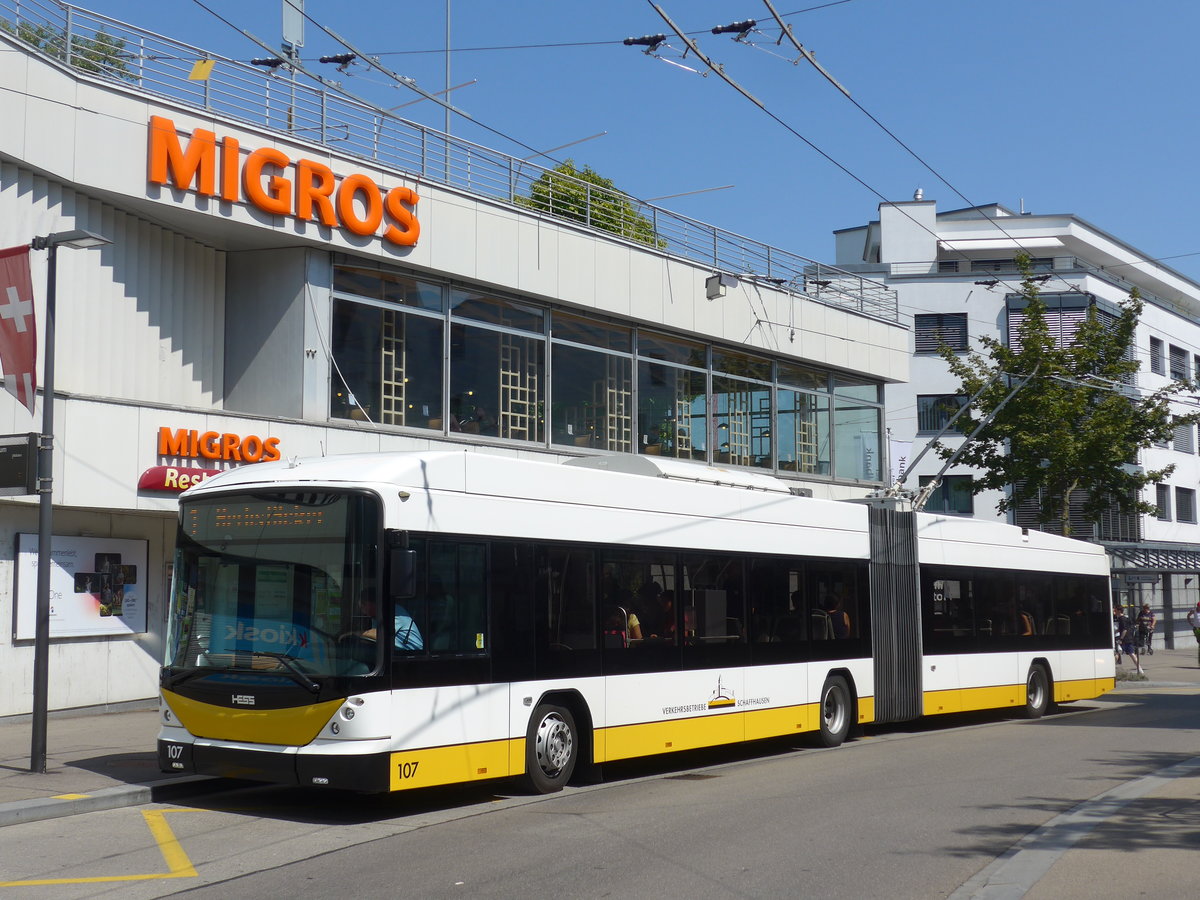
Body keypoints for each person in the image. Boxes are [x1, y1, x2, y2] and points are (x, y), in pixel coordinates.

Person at [1113, 603, 1142, 675]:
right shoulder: (1125, 618)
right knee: (1131, 654)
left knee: (1117, 653)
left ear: (1119, 611)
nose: (1114, 611)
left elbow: (1124, 629)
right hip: (1129, 638)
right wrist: (1115, 632)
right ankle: (1140, 670)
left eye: (1115, 610)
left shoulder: (1121, 619)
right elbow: (1122, 628)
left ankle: (1111, 669)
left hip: (1125, 639)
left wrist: (1121, 639)